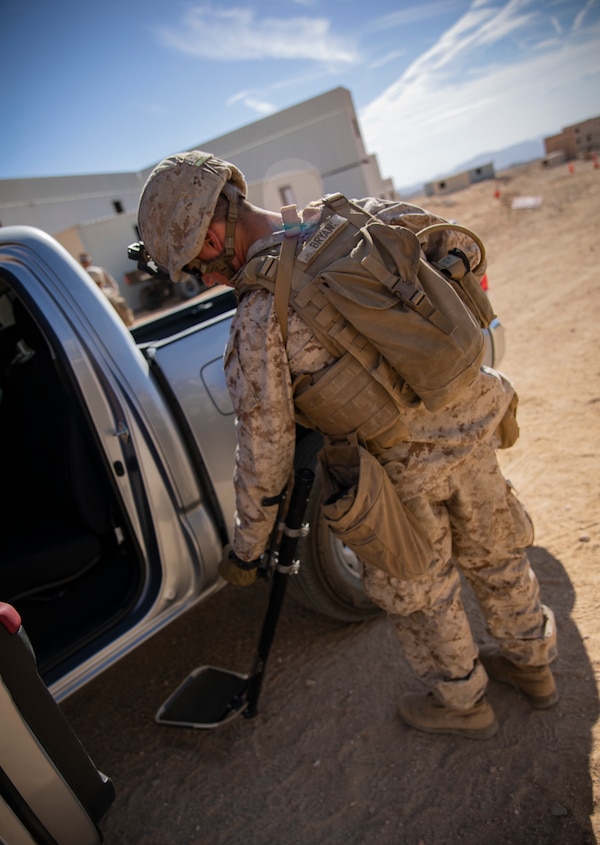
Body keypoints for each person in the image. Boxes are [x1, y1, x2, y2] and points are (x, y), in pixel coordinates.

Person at [136, 150, 558, 739]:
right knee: (499, 550)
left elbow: (265, 453)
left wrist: (247, 548)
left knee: (422, 589)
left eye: (196, 268)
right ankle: (533, 665)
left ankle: (464, 703)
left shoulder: (260, 320)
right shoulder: (355, 216)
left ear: (211, 238)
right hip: (468, 424)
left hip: (398, 474)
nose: (206, 280)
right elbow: (458, 248)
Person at [79, 253, 135, 327]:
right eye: (84, 261)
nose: (85, 263)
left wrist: (115, 292)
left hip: (105, 294)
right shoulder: (81, 274)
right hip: (93, 297)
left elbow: (111, 282)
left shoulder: (98, 270)